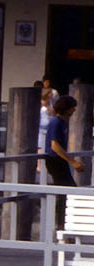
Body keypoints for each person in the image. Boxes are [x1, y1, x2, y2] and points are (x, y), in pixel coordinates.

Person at [46, 94, 83, 222]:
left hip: (60, 160)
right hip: (54, 160)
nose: (74, 110)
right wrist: (72, 162)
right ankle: (61, 222)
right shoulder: (56, 122)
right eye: (72, 107)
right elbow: (54, 145)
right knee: (66, 191)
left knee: (69, 191)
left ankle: (65, 221)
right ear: (66, 108)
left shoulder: (62, 123)